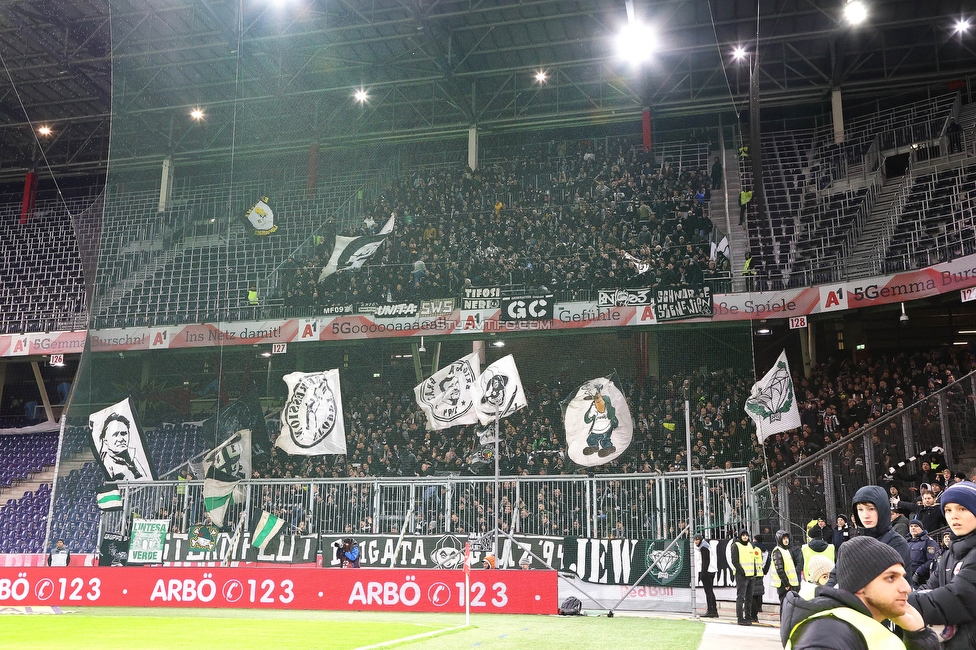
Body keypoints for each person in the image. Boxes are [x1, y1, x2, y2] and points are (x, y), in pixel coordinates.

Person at [780, 536, 940, 650]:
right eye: (891, 578)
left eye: (903, 577)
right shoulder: (829, 633)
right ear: (860, 585)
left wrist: (919, 635)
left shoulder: (860, 624)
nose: (906, 588)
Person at [909, 481, 976, 649]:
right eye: (948, 510)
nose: (954, 515)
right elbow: (929, 587)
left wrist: (900, 603)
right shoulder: (948, 555)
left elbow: (957, 597)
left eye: (962, 509)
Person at [97, 413, 151, 481]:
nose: (121, 438)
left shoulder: (137, 456)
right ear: (105, 440)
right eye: (115, 435)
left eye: (124, 434)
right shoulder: (103, 460)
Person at [731, 528, 762, 625]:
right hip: (742, 576)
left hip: (751, 575)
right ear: (740, 536)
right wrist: (742, 572)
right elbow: (734, 561)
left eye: (746, 535)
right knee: (741, 597)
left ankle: (748, 616)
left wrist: (755, 572)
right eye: (743, 535)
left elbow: (753, 560)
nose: (745, 537)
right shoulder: (736, 545)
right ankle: (740, 618)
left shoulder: (750, 545)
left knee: (749, 597)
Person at [905, 518, 939, 587]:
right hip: (907, 575)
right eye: (911, 526)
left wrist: (919, 572)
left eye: (916, 526)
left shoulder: (928, 541)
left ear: (922, 528)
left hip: (921, 578)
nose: (913, 528)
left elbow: (932, 560)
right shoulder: (906, 542)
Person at [771, 529, 800, 604]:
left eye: (787, 538)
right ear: (779, 539)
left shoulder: (786, 550)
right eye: (783, 539)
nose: (786, 540)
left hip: (790, 584)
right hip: (784, 585)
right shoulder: (777, 551)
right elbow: (780, 569)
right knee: (784, 605)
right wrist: (786, 584)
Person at [694, 534, 718, 617]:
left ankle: (711, 610)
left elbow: (705, 561)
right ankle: (714, 610)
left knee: (708, 592)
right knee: (710, 591)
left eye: (697, 539)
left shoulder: (703, 547)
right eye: (695, 540)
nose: (696, 541)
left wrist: (703, 574)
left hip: (707, 571)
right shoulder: (706, 545)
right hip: (711, 570)